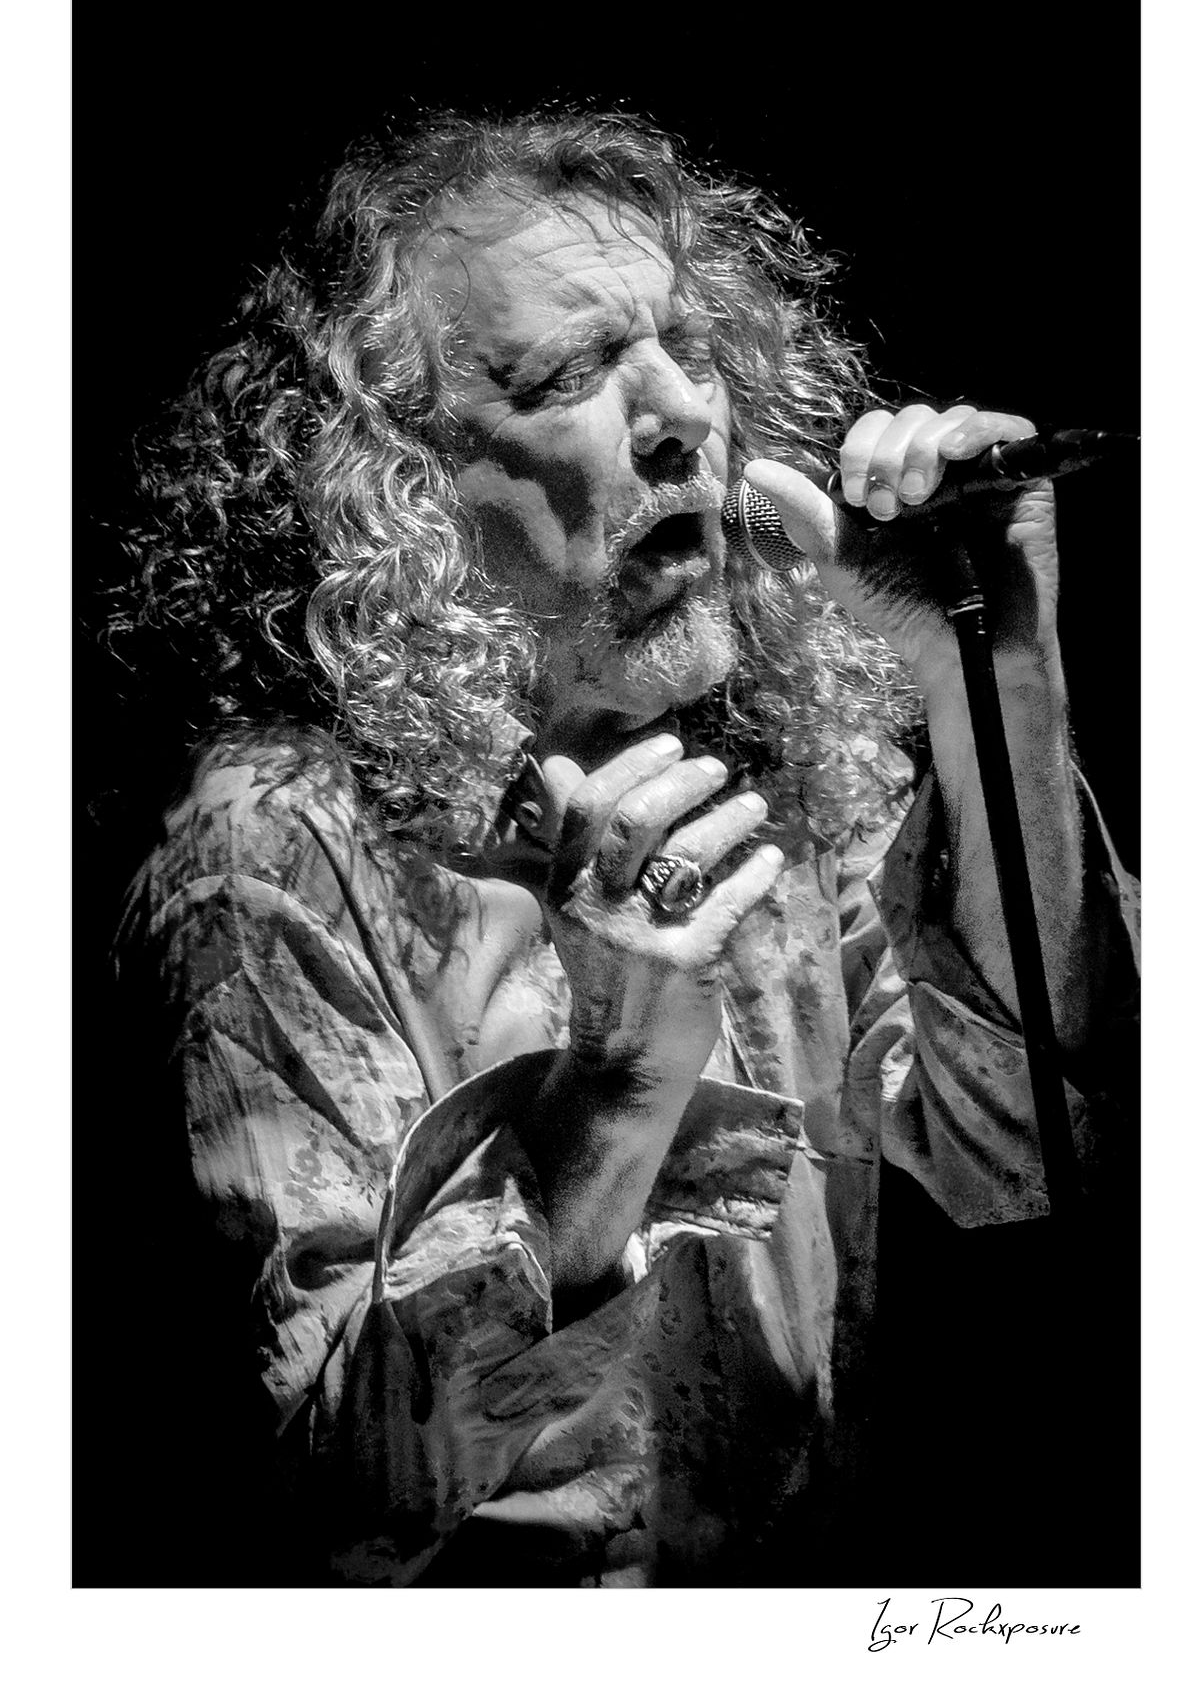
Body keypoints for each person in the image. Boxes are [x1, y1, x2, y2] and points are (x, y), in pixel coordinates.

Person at [99, 109, 1138, 1587]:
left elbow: (1044, 1160)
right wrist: (616, 1099)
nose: (682, 414)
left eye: (684, 346)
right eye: (571, 373)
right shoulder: (276, 847)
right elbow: (325, 1498)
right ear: (398, 489)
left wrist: (1000, 688)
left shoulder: (785, 779)